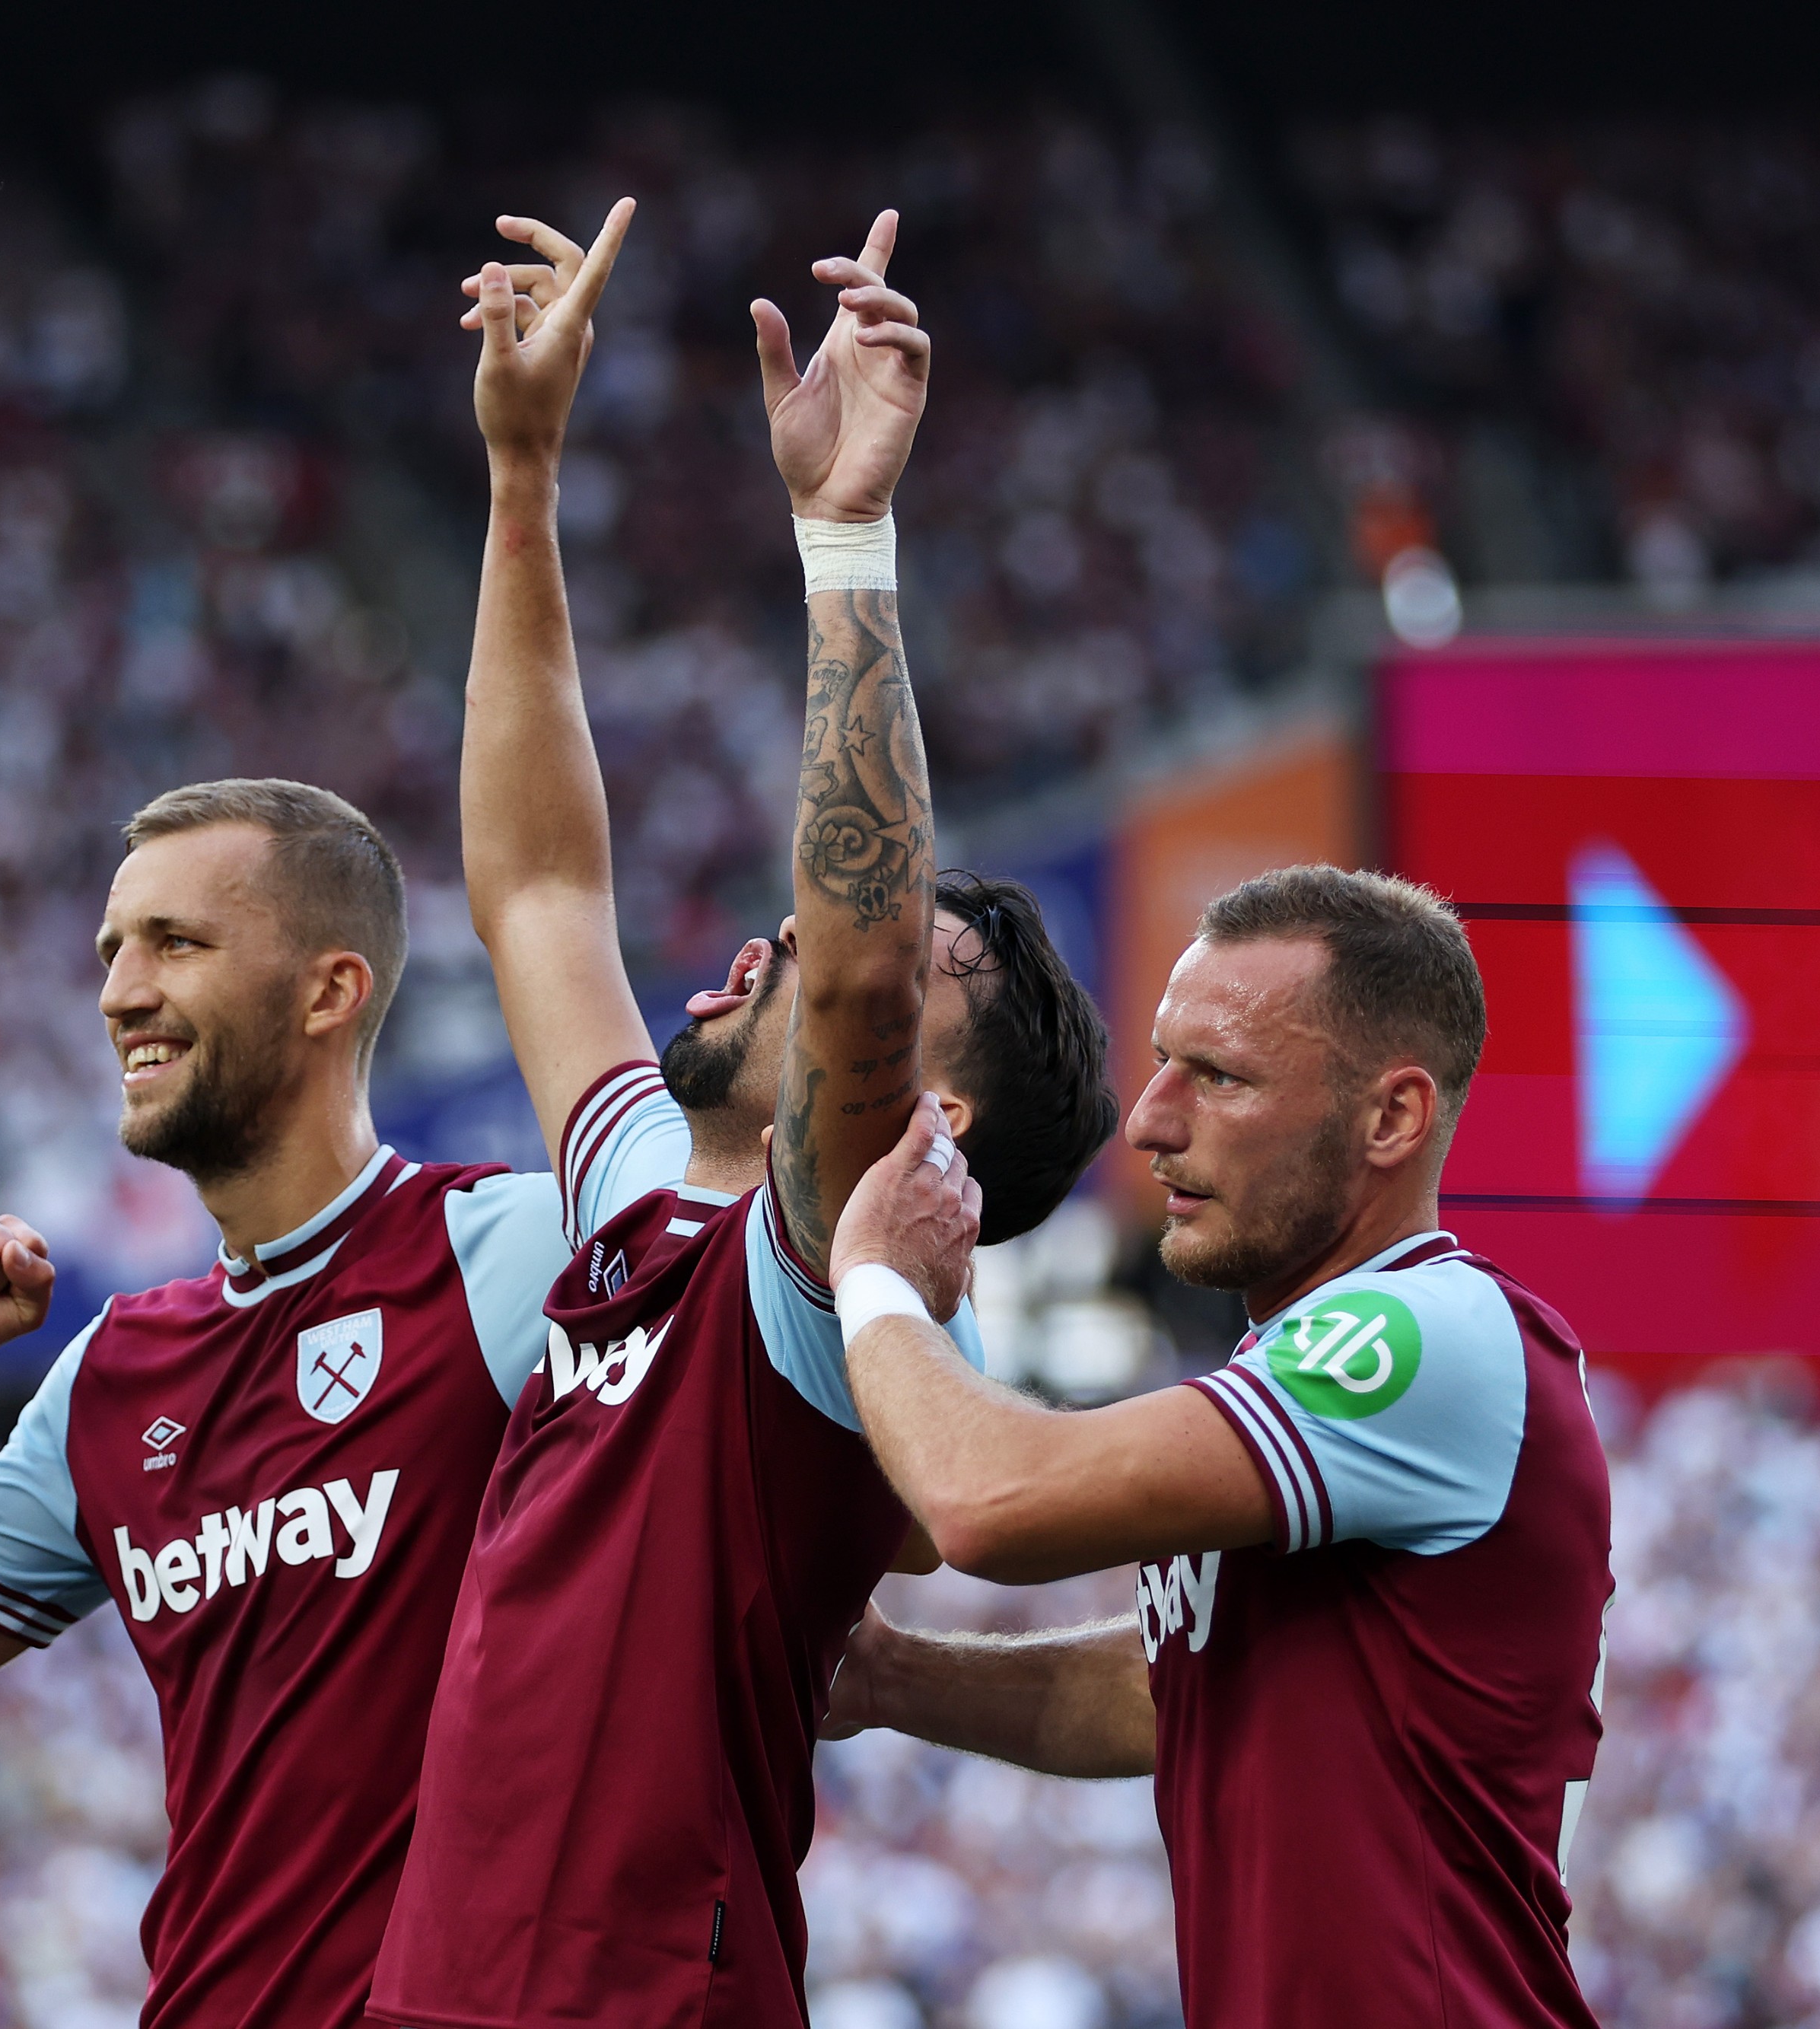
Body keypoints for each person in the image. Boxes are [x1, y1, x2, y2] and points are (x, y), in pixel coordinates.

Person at [367, 207, 1116, 2027]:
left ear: (919, 1114)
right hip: (442, 1988)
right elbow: (540, 887)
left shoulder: (820, 1282)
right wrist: (521, 475)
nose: (773, 935)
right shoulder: (644, 1185)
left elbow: (852, 968)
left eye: (873, 961)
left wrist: (842, 531)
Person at [0, 780, 617, 2026]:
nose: (121, 992)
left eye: (176, 943)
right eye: (115, 950)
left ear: (328, 990)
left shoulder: (515, 1253)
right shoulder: (116, 1378)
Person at [821, 866, 1613, 2029]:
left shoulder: (1423, 1329)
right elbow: (1179, 1688)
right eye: (1161, 1059)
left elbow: (987, 1500)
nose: (1149, 1117)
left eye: (1222, 1076)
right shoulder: (1302, 1377)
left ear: (1392, 1116)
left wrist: (875, 1273)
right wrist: (895, 1676)